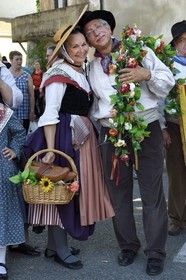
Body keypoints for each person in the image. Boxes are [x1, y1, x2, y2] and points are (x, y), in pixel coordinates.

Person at [79, 10, 175, 276]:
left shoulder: (140, 49)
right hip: (112, 134)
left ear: (110, 28)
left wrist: (146, 75)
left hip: (146, 129)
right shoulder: (91, 67)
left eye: (99, 26)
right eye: (89, 31)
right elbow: (93, 105)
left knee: (151, 194)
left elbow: (167, 81)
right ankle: (128, 246)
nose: (95, 32)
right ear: (89, 40)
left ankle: (155, 252)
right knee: (118, 195)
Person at [23, 12, 115, 270]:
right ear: (64, 49)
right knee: (61, 190)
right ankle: (60, 249)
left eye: (83, 44)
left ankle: (54, 247)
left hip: (80, 136)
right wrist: (51, 150)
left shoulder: (79, 70)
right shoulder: (58, 72)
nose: (81, 49)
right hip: (62, 137)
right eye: (74, 46)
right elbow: (49, 114)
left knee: (68, 192)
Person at [160, 20, 186, 236]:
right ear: (175, 44)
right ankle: (176, 217)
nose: (185, 45)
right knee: (176, 172)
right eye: (181, 41)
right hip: (175, 124)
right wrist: (163, 128)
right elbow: (159, 99)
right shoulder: (167, 65)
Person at [0, 103, 26, 280]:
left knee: (1, 214)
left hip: (1, 170)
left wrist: (14, 151)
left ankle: (0, 259)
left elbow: (19, 132)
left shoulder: (3, 112)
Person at [9, 51, 35, 133]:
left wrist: (32, 111)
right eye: (17, 59)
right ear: (11, 61)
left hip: (24, 112)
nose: (19, 61)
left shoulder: (26, 75)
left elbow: (31, 95)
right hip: (10, 113)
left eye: (21, 59)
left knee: (23, 135)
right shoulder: (6, 75)